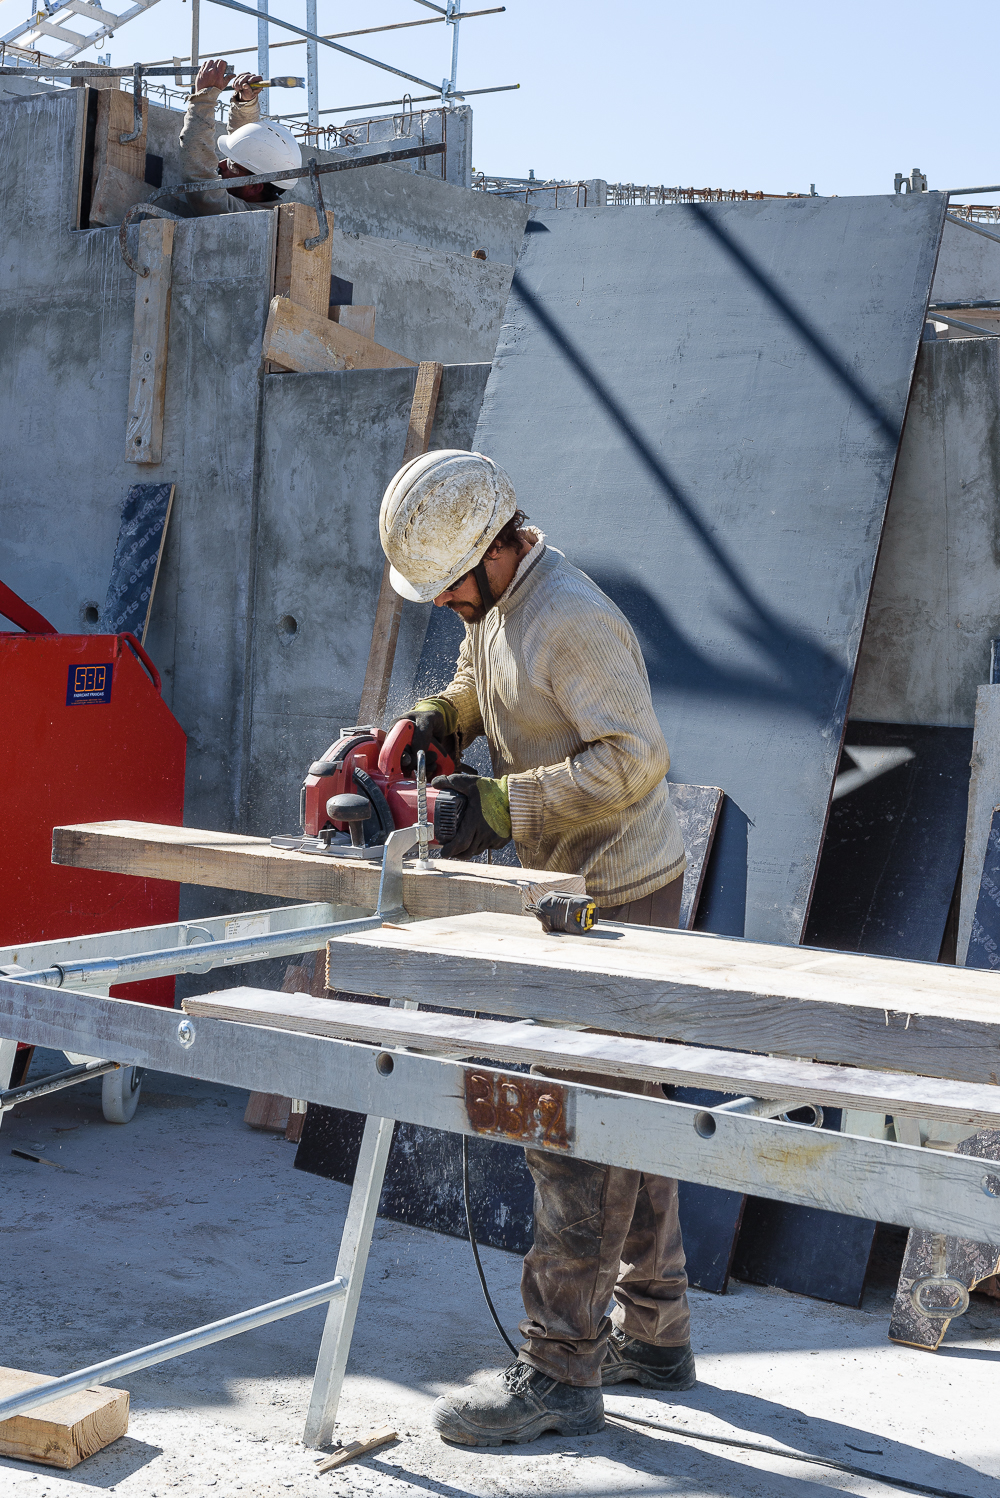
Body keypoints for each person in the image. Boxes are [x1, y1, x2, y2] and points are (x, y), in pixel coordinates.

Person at [379, 448, 694, 1447]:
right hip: (573, 887)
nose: (444, 605)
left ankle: (561, 1372)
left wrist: (504, 803)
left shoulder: (572, 617)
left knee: (572, 1135)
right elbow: (481, 669)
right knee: (630, 1113)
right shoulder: (498, 604)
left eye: (447, 587)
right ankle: (657, 1333)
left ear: (490, 551)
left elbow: (636, 759)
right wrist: (444, 713)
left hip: (618, 895)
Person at [177, 57, 301, 216]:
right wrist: (245, 104)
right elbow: (246, 148)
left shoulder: (247, 217)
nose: (220, 164)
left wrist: (204, 98)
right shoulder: (270, 213)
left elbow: (201, 179)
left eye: (232, 166)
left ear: (254, 187)